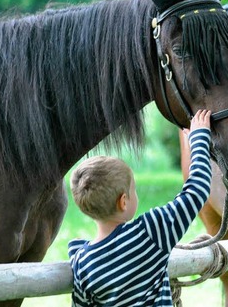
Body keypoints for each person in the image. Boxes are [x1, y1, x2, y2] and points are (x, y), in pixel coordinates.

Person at [68, 109, 213, 307]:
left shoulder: (83, 265)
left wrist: (78, 250)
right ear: (123, 201)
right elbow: (197, 190)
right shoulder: (150, 232)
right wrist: (199, 139)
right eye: (133, 189)